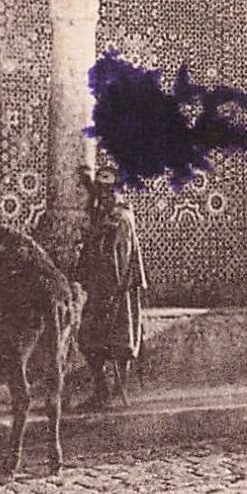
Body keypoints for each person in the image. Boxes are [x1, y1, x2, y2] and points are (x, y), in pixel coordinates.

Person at [74, 163, 148, 409]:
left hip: (119, 290)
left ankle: (117, 390)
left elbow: (119, 257)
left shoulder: (121, 219)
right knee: (89, 340)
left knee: (120, 342)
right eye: (101, 191)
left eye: (109, 191)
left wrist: (113, 290)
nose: (104, 196)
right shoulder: (102, 216)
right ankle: (102, 390)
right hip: (100, 289)